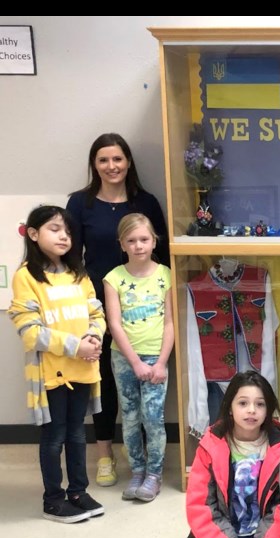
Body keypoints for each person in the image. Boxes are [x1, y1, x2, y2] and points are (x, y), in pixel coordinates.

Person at [67, 133, 170, 487]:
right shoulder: (80, 204)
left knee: (143, 393)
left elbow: (166, 256)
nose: (111, 166)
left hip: (144, 306)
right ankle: (105, 456)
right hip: (96, 305)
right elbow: (70, 259)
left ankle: (143, 464)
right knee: (105, 384)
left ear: (128, 162)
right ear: (94, 165)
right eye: (103, 160)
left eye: (118, 159)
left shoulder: (147, 202)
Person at [8, 205, 105, 524]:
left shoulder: (79, 273)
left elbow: (96, 313)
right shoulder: (26, 276)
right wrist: (76, 347)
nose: (64, 236)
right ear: (34, 234)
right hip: (51, 375)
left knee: (77, 433)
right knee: (54, 437)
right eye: (54, 229)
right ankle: (53, 498)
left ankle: (78, 491)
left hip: (82, 369)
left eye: (67, 230)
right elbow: (29, 330)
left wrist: (94, 337)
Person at [185, 370, 280, 538]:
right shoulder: (210, 446)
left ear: (268, 410)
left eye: (260, 404)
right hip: (224, 537)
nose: (251, 410)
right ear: (230, 407)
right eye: (243, 403)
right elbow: (200, 506)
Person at [103, 214, 174, 501]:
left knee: (153, 417)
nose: (138, 246)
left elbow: (170, 322)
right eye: (131, 241)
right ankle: (137, 471)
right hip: (124, 359)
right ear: (121, 244)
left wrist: (160, 363)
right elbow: (114, 323)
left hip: (156, 356)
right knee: (130, 417)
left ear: (154, 240)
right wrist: (134, 362)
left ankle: (154, 474)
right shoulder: (113, 278)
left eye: (144, 239)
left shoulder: (166, 275)